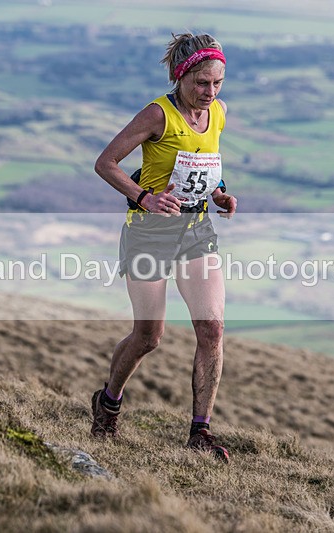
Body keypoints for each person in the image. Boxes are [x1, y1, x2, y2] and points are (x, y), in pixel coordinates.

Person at [91, 33, 237, 462]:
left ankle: (200, 432)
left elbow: (204, 164)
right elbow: (105, 163)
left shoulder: (219, 114)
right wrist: (144, 197)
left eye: (217, 83)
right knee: (149, 336)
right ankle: (108, 402)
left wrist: (221, 193)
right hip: (149, 232)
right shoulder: (158, 114)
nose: (210, 93)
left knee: (212, 329)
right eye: (201, 84)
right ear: (181, 76)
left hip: (195, 229)